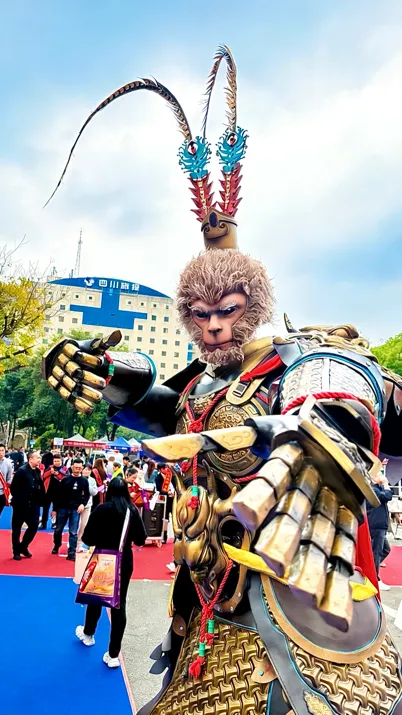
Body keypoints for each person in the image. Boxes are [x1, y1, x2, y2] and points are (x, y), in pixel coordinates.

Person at [42, 46, 402, 714]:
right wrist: (107, 373)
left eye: (228, 311)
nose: (212, 328)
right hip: (204, 596)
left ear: (254, 306)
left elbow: (349, 382)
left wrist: (323, 420)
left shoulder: (297, 360)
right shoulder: (201, 387)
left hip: (293, 602)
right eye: (200, 316)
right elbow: (163, 409)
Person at [75, 477, 146, 667]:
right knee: (119, 604)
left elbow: (88, 538)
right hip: (123, 561)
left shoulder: (101, 509)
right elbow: (141, 539)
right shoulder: (132, 511)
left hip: (102, 558)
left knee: (95, 597)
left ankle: (89, 634)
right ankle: (113, 654)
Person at [51, 458, 89, 561]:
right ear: (72, 467)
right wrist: (54, 509)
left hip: (75, 509)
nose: (77, 470)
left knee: (73, 532)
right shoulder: (65, 479)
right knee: (58, 530)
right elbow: (58, 495)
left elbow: (86, 495)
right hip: (62, 508)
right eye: (75, 468)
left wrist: (83, 504)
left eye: (79, 468)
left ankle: (71, 552)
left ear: (82, 468)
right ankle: (57, 544)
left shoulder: (84, 481)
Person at [10, 449, 45, 560]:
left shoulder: (37, 471)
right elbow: (13, 488)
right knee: (16, 529)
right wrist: (19, 499)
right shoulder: (22, 471)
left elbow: (40, 487)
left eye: (40, 458)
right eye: (37, 458)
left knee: (34, 526)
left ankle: (23, 546)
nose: (39, 460)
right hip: (21, 505)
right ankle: (16, 551)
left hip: (33, 505)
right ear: (30, 459)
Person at [367, 470, 393, 591]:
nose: (382, 476)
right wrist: (386, 483)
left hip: (380, 525)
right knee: (376, 553)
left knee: (385, 550)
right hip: (376, 525)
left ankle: (371, 569)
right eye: (379, 474)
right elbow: (387, 496)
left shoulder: (378, 488)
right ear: (373, 478)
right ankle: (375, 579)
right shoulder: (372, 490)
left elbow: (388, 494)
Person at [40, 454, 66, 529]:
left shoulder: (64, 469)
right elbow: (44, 476)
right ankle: (43, 523)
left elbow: (66, 478)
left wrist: (57, 474)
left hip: (59, 492)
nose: (56, 463)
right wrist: (50, 472)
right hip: (48, 491)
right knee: (45, 508)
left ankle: (54, 523)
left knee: (56, 509)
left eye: (58, 461)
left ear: (61, 461)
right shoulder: (50, 467)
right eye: (55, 461)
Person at [76, 463, 98, 552]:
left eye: (89, 470)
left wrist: (87, 484)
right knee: (75, 524)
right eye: (85, 469)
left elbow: (94, 492)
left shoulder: (92, 480)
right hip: (76, 504)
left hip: (87, 505)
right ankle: (72, 542)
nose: (87, 471)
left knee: (83, 525)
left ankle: (79, 544)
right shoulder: (77, 478)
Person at [0, 443, 13, 517]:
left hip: (2, 493)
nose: (1, 452)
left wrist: (7, 486)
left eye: (2, 450)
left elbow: (9, 478)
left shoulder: (8, 463)